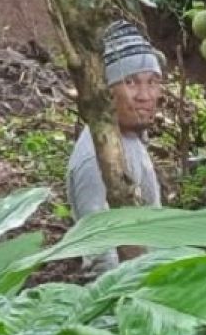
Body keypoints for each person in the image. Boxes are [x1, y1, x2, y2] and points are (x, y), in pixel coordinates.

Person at [67, 20, 164, 274]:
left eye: (152, 82)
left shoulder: (130, 138)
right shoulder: (95, 160)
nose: (145, 96)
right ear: (106, 91)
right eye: (131, 82)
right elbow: (100, 254)